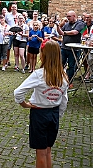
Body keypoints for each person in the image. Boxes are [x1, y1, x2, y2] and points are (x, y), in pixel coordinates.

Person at [14, 40, 68, 168]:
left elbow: (18, 92)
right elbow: (64, 100)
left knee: (41, 152)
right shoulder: (63, 75)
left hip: (39, 114)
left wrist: (24, 104)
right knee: (48, 150)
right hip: (54, 113)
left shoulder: (39, 74)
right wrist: (58, 114)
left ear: (42, 55)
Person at [56, 10, 85, 87]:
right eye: (67, 16)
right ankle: (59, 79)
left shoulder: (80, 23)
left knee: (71, 66)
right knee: (60, 64)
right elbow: (60, 33)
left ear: (74, 16)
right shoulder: (67, 24)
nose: (67, 18)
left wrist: (64, 33)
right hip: (64, 47)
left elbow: (75, 32)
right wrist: (58, 26)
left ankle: (69, 81)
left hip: (74, 49)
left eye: (69, 16)